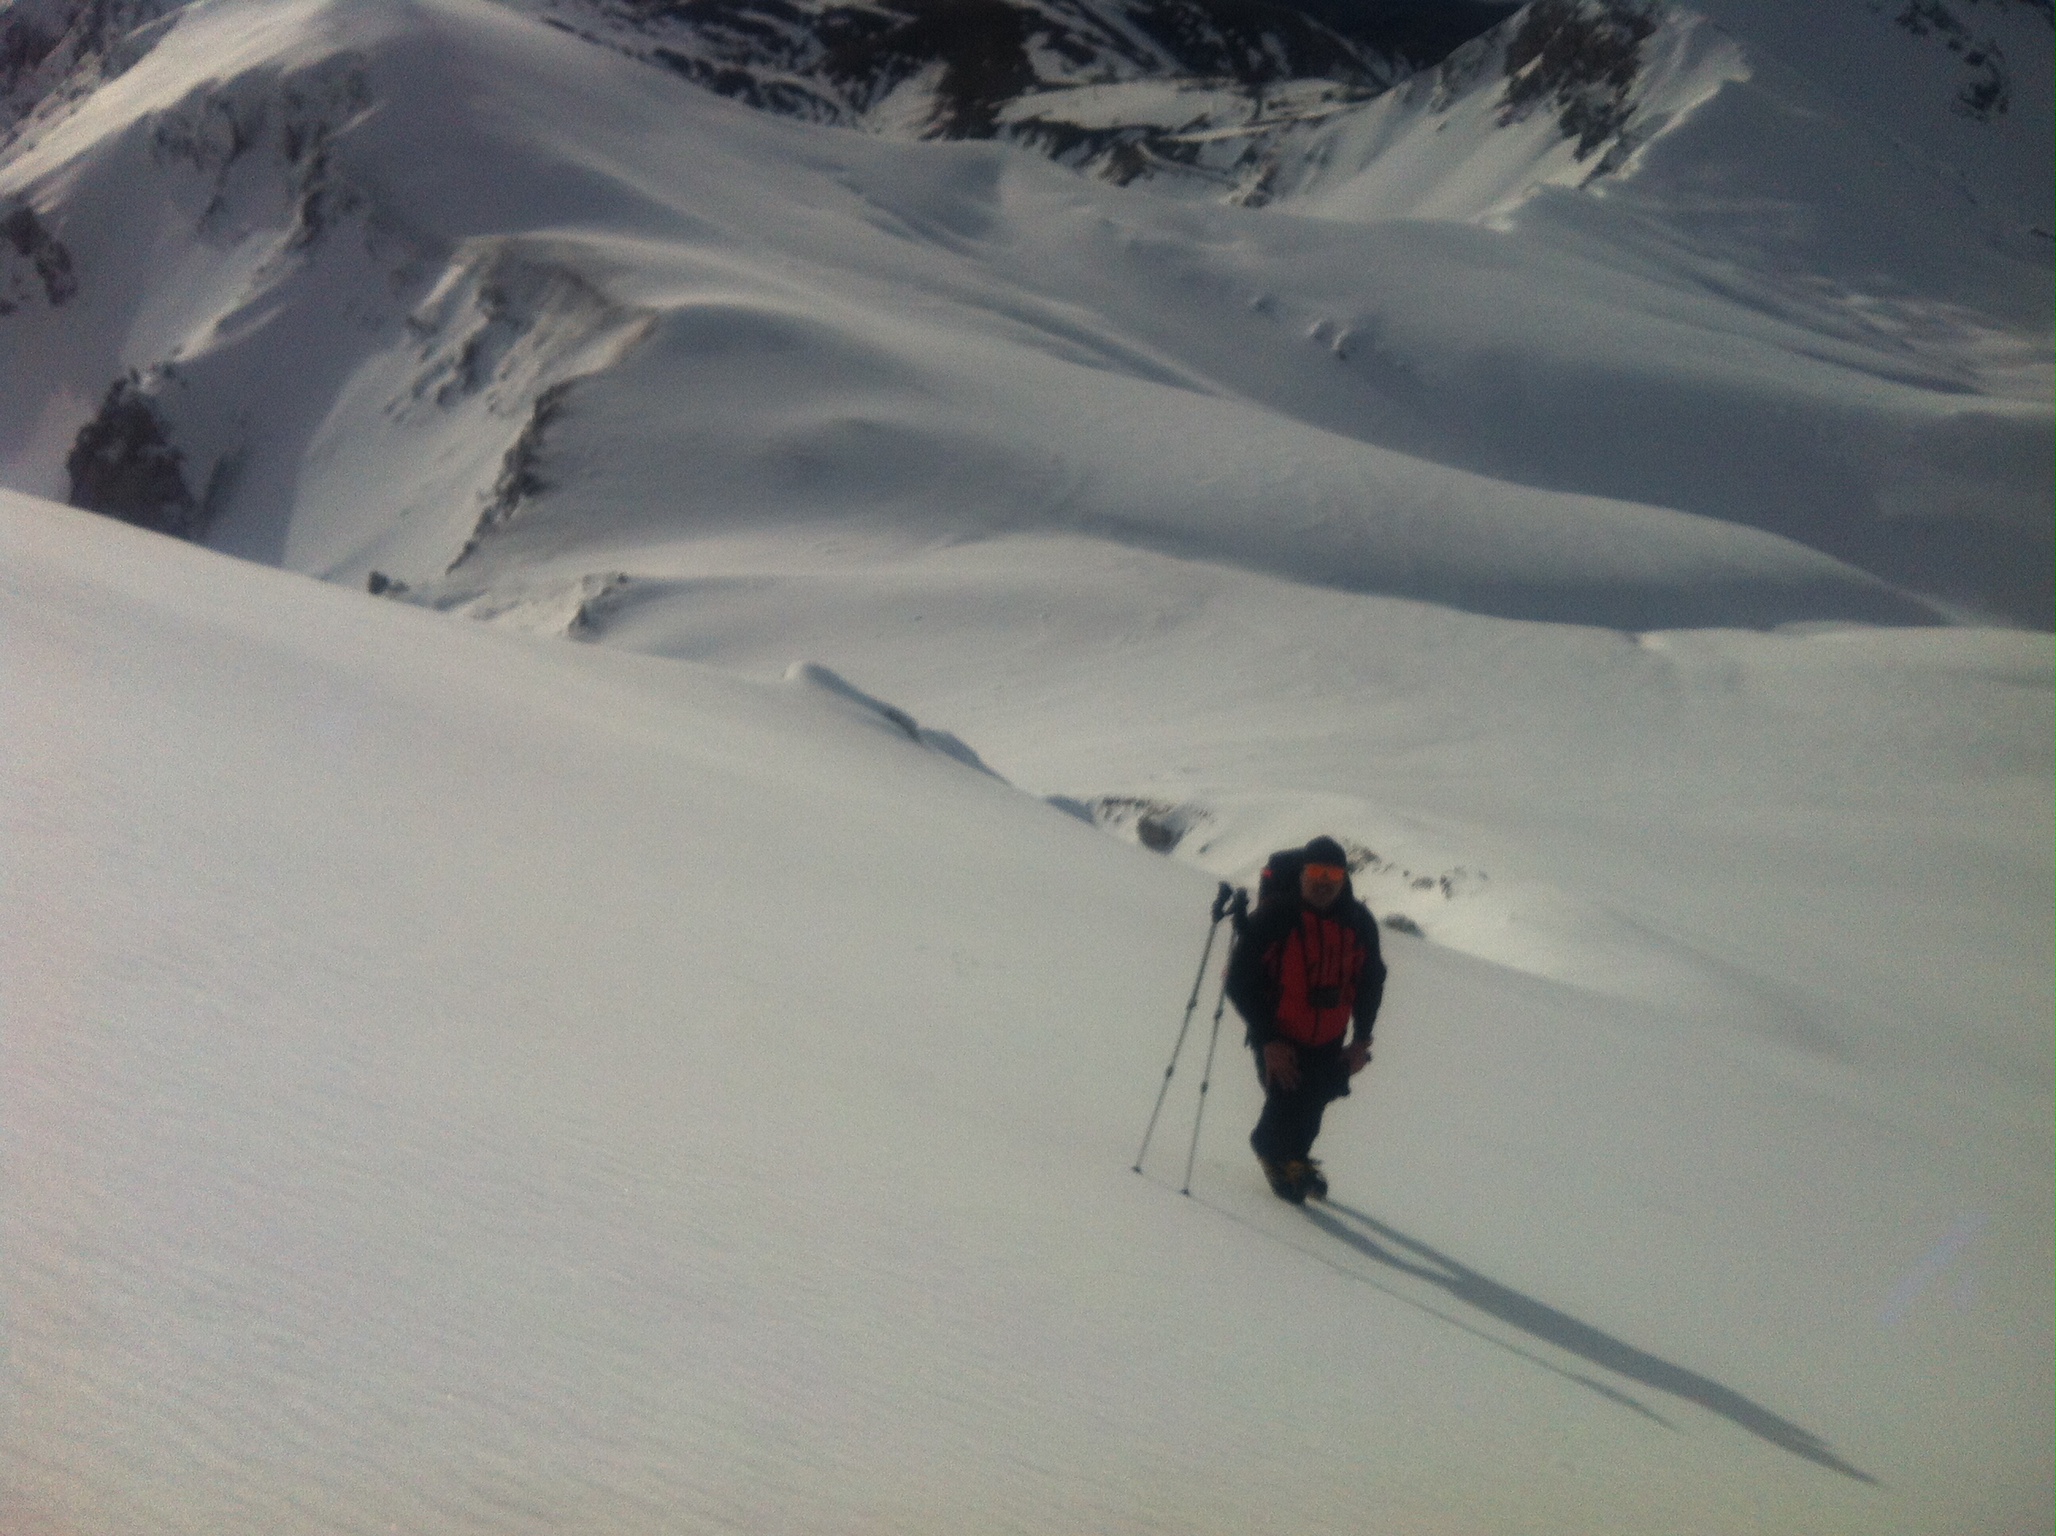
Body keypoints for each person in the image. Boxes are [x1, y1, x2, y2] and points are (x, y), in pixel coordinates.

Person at [1224, 835, 1386, 1203]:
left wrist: (1362, 1039)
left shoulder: (1359, 923)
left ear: (1344, 878)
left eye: (1333, 873)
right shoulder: (1274, 918)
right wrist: (1268, 1039)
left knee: (1318, 1097)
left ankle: (1295, 1159)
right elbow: (1239, 981)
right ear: (1301, 873)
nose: (1324, 881)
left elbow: (1371, 981)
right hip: (1281, 1033)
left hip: (1330, 1033)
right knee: (1288, 1098)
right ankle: (1271, 1150)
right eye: (1315, 871)